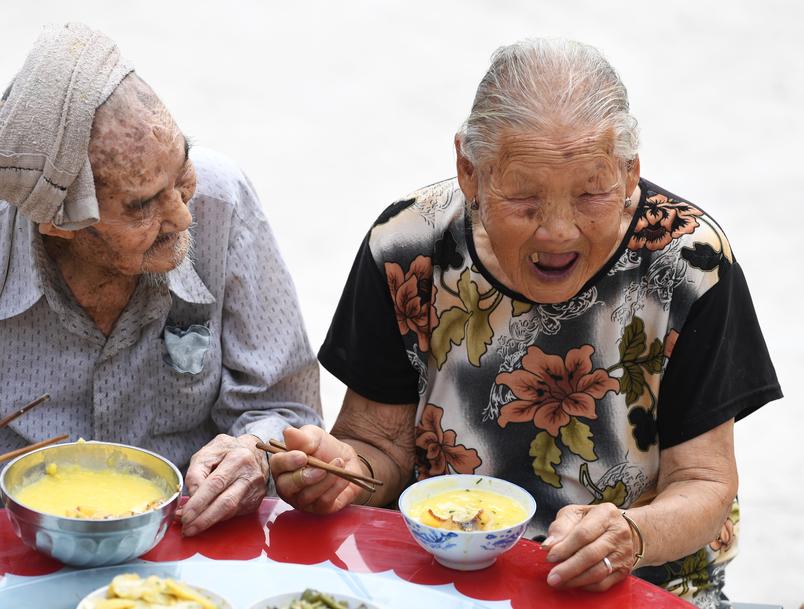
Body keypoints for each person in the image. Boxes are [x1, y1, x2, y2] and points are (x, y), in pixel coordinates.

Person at [269, 39, 781, 608]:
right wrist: (341, 471)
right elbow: (376, 445)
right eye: (524, 198)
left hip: (633, 578)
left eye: (592, 193)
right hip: (444, 572)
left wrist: (631, 535)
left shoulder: (689, 264)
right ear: (470, 172)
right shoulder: (407, 246)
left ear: (631, 172)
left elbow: (704, 482)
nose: (558, 231)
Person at [0, 23, 321, 544]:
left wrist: (255, 452)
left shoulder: (221, 201)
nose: (183, 216)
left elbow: (285, 409)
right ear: (56, 222)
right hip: (5, 520)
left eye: (182, 170)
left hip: (186, 518)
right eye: (143, 205)